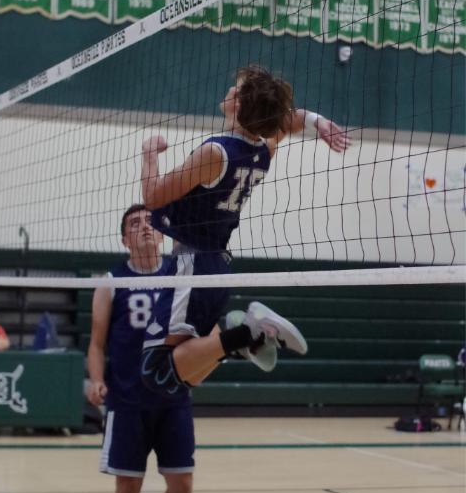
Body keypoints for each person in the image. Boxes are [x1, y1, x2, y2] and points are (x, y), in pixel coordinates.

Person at [140, 64, 350, 396]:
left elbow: (152, 198)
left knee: (157, 372)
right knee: (187, 376)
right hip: (216, 266)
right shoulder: (262, 150)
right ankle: (238, 338)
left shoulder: (214, 153)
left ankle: (247, 332)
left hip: (192, 265)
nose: (229, 90)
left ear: (240, 105)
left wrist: (149, 154)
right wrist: (317, 121)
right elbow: (291, 120)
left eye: (236, 89)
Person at [87, 204, 219, 493]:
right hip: (127, 401)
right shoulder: (112, 282)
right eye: (134, 224)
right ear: (124, 238)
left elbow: (204, 328)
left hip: (173, 397)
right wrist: (96, 379)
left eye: (149, 222)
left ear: (161, 233)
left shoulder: (180, 275)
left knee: (182, 484)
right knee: (128, 485)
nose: (144, 227)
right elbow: (97, 343)